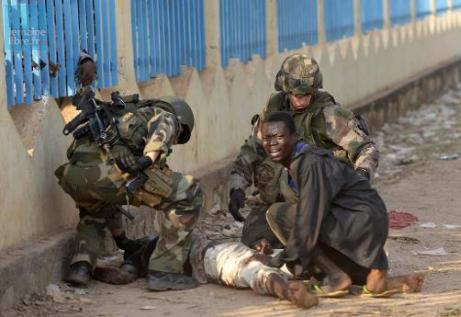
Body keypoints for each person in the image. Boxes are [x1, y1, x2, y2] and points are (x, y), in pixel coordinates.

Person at [55, 53, 202, 291]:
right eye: (180, 135)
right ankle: (165, 271)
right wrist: (147, 159)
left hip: (75, 175)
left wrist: (123, 240)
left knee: (94, 212)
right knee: (189, 193)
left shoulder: (123, 112)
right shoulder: (165, 114)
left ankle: (80, 267)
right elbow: (163, 131)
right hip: (115, 172)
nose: (175, 142)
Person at [256, 111, 423, 297]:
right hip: (368, 222)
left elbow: (309, 219)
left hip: (359, 222)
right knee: (301, 221)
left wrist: (279, 259)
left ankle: (336, 277)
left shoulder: (309, 162)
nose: (272, 144)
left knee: (279, 214)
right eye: (267, 138)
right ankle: (376, 278)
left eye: (279, 137)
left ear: (295, 137)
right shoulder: (303, 159)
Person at [228, 54, 379, 249]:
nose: (301, 100)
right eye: (296, 95)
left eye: (306, 95)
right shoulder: (274, 109)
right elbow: (252, 150)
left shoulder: (329, 115)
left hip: (319, 203)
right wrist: (237, 187)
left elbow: (366, 148)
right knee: (252, 237)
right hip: (280, 200)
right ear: (285, 89)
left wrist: (361, 175)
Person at [92, 231, 318, 309]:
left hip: (217, 252)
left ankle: (313, 278)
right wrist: (95, 271)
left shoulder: (158, 241)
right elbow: (123, 275)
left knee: (271, 261)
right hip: (210, 258)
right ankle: (290, 292)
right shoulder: (141, 253)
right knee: (254, 270)